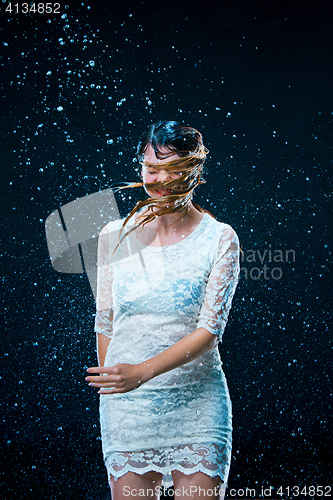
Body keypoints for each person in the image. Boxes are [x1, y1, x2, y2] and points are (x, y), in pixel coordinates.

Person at [85, 121, 240, 500]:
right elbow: (105, 322)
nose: (162, 180)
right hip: (129, 409)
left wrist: (142, 372)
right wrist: (114, 392)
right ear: (140, 167)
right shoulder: (111, 235)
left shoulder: (220, 238)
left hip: (197, 404)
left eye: (176, 169)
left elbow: (210, 330)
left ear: (196, 171)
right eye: (152, 168)